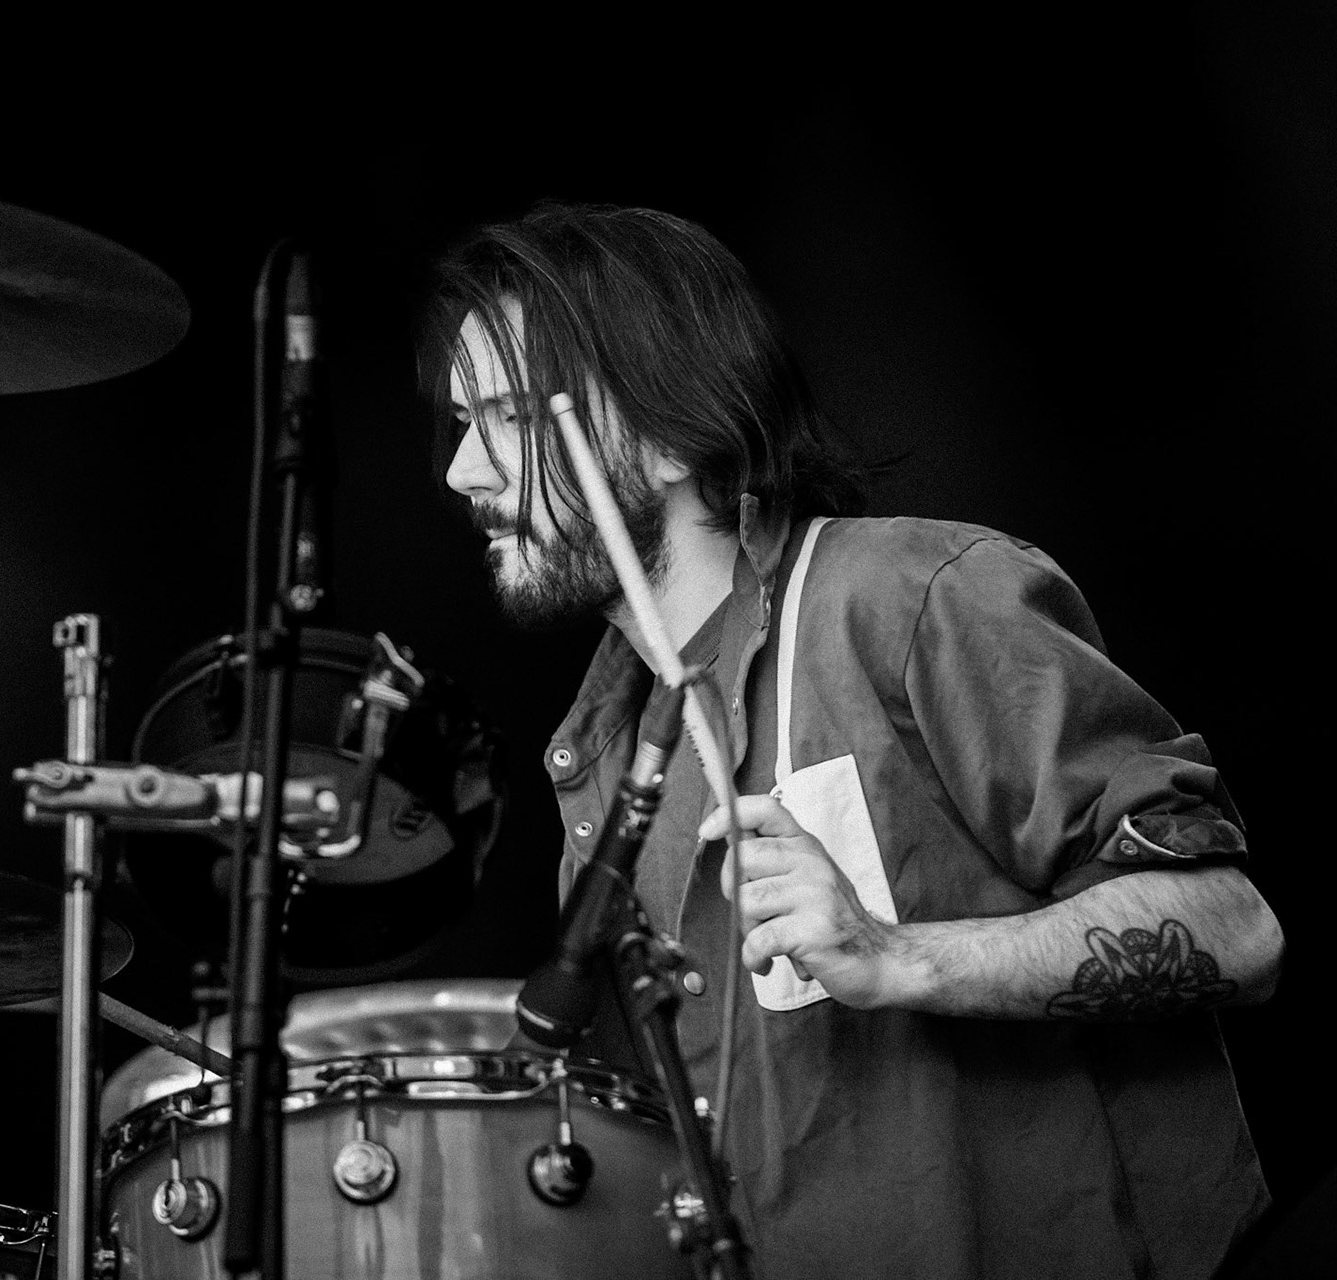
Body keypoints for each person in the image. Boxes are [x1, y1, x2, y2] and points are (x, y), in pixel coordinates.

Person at [428, 202, 1282, 1279]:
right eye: (460, 422)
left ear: (668, 428)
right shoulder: (603, 761)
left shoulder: (912, 596)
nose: (461, 471)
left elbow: (1235, 927)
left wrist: (898, 955)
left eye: (505, 416)